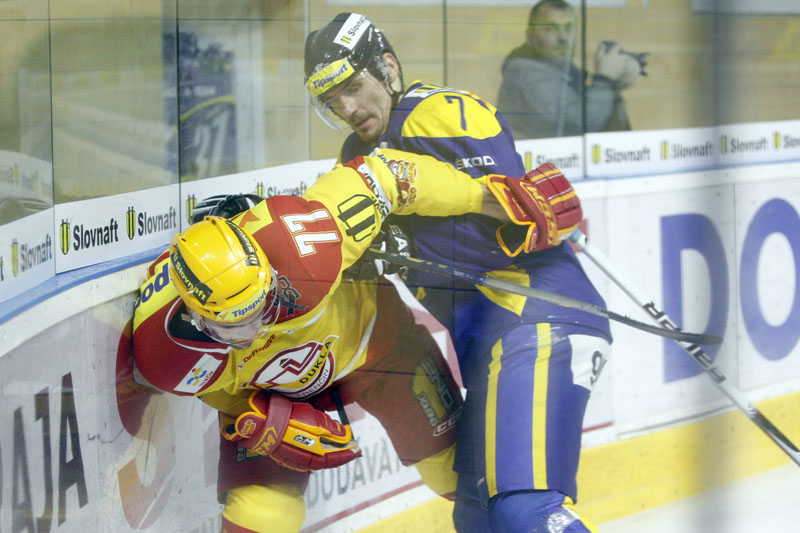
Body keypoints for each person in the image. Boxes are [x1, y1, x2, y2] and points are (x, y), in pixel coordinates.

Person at [131, 147, 575, 532]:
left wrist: (489, 198)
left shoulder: (301, 243)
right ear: (195, 315)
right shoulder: (164, 353)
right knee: (264, 515)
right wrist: (258, 417)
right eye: (233, 326)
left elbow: (386, 175)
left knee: (456, 474)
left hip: (382, 346)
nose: (255, 329)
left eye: (261, 305)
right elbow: (219, 392)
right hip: (277, 393)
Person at [304, 12, 613, 532]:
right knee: (477, 517)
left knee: (524, 511)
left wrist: (402, 242)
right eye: (333, 100)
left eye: (353, 88)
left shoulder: (438, 113)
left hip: (536, 319)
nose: (348, 108)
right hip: (490, 342)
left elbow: (507, 217)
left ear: (388, 67)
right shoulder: (355, 153)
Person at [496, 0, 646, 139]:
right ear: (530, 36)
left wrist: (612, 86)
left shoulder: (563, 71)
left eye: (568, 29)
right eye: (551, 29)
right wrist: (604, 81)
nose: (563, 37)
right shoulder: (524, 71)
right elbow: (580, 124)